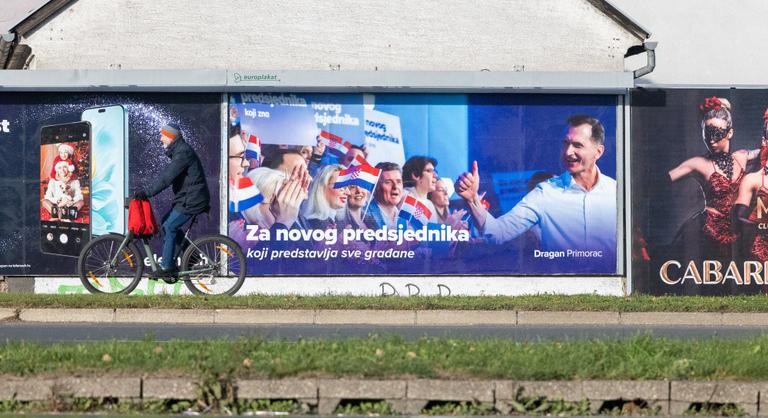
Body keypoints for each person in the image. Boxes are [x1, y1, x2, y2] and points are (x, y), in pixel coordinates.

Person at [456, 115, 616, 256]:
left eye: (577, 145)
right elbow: (498, 233)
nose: (568, 152)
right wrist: (472, 200)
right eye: (565, 143)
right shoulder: (545, 193)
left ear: (598, 152)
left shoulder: (616, 193)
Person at [668, 97, 756, 256]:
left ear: (730, 133)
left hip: (738, 231)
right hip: (708, 230)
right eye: (707, 133)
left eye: (717, 133)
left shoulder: (741, 157)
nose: (711, 139)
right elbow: (660, 181)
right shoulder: (698, 163)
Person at [134, 124, 210, 276]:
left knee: (170, 227)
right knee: (166, 223)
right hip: (187, 197)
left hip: (193, 199)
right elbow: (167, 176)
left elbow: (167, 178)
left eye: (163, 135)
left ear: (171, 136)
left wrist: (147, 192)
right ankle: (192, 256)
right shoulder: (180, 151)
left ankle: (167, 267)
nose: (161, 138)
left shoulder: (183, 153)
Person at [302, 164, 350, 229]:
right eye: (342, 186)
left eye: (348, 187)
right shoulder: (314, 224)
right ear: (322, 187)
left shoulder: (336, 223)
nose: (348, 193)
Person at [402, 156, 438, 222]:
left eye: (434, 171)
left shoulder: (430, 205)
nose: (435, 175)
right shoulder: (404, 196)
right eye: (429, 171)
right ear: (416, 175)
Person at [368, 162, 403, 228]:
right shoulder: (364, 216)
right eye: (388, 182)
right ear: (375, 187)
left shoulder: (404, 219)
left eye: (398, 182)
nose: (395, 187)